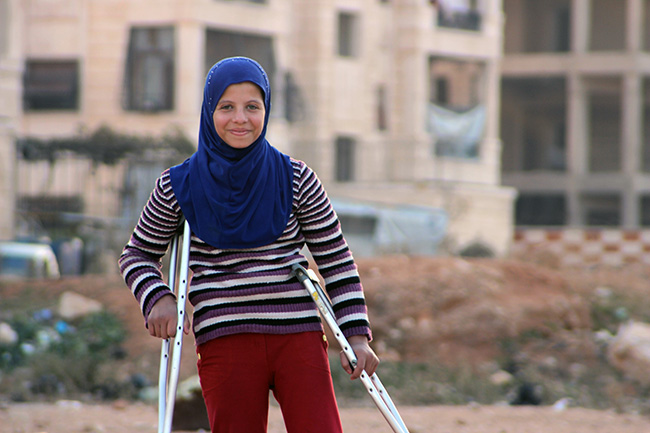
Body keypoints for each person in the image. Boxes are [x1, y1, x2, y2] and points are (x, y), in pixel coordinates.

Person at [118, 56, 379, 433]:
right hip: (226, 341)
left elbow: (336, 259)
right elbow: (137, 255)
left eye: (252, 107)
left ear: (266, 111)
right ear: (209, 111)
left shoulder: (297, 178)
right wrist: (157, 297)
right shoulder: (178, 186)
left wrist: (356, 334)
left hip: (298, 338)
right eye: (227, 107)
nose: (240, 119)